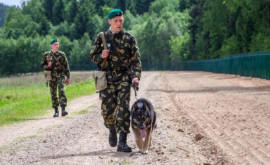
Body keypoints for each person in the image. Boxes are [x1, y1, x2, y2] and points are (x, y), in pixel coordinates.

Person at [89, 8, 142, 152]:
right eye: (116, 21)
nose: (119, 23)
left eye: (121, 20)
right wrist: (101, 56)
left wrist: (136, 76)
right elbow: (92, 55)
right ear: (110, 22)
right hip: (106, 78)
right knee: (107, 112)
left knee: (123, 110)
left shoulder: (129, 38)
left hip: (124, 77)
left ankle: (122, 142)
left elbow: (136, 61)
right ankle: (111, 129)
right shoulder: (102, 37)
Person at [40, 38, 70, 117]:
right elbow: (42, 65)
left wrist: (68, 77)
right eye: (55, 44)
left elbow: (66, 66)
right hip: (51, 76)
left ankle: (63, 109)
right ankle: (56, 110)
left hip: (60, 75)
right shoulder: (47, 55)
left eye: (57, 44)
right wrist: (47, 66)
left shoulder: (62, 54)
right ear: (51, 46)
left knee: (61, 90)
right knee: (53, 93)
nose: (56, 46)